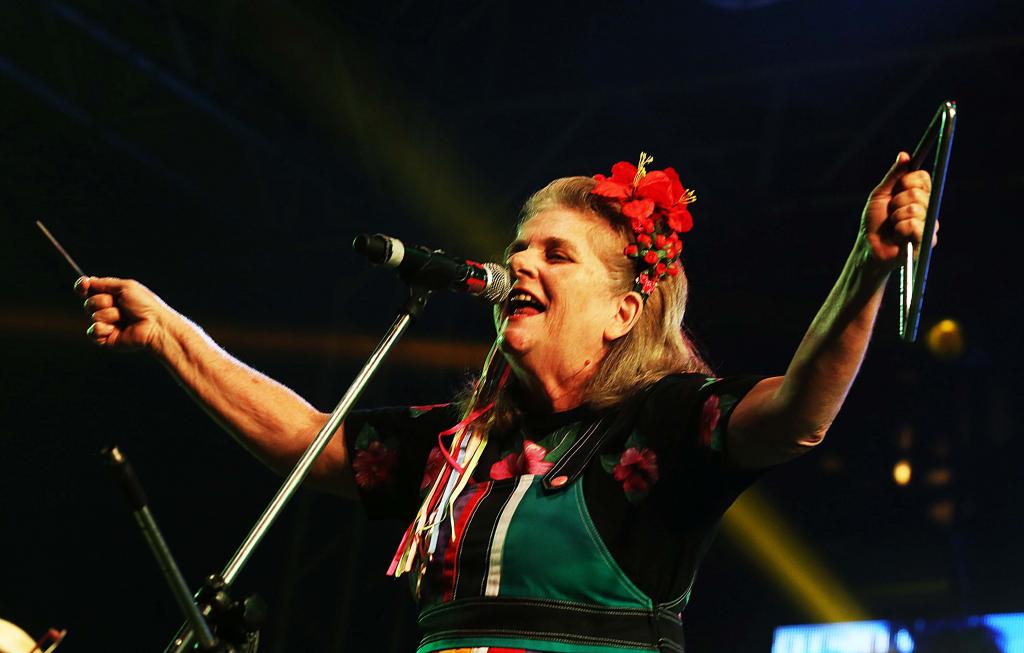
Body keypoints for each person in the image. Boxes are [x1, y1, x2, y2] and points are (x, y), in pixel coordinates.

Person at [75, 151, 935, 653]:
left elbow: (797, 415)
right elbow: (308, 440)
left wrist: (866, 268)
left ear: (623, 311)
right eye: (520, 247)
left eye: (556, 254)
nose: (519, 262)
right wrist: (171, 333)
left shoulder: (666, 425)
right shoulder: (462, 449)